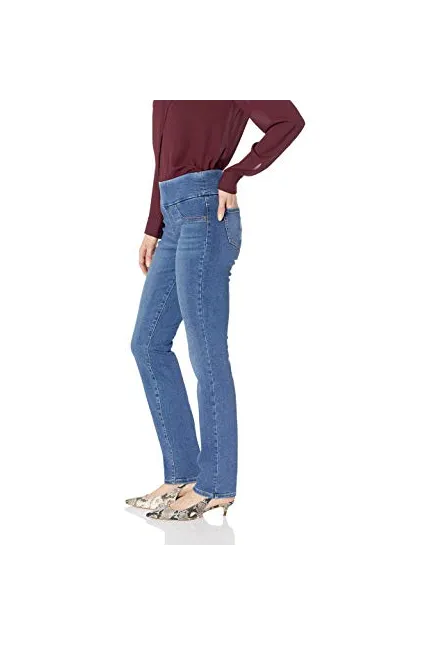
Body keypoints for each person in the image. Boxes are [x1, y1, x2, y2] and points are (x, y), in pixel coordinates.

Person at [126, 98, 305, 521]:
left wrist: (235, 173)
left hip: (207, 211)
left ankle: (217, 484)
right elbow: (162, 162)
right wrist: (153, 226)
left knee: (206, 353)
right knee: (147, 345)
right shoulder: (164, 91)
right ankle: (183, 475)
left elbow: (288, 121)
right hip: (173, 216)